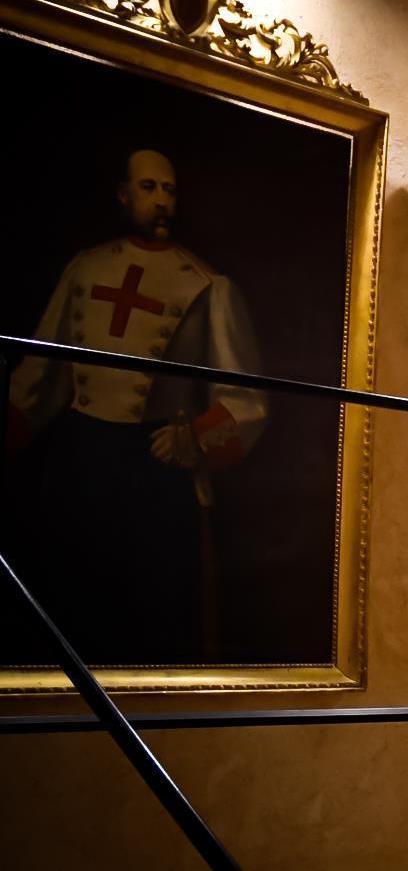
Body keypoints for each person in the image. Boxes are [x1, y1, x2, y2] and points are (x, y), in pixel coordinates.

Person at [6, 149, 267, 661]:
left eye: (169, 190)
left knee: (148, 621)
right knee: (68, 609)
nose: (161, 200)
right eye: (149, 188)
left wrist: (194, 438)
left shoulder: (208, 286)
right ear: (124, 194)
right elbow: (39, 378)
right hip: (79, 464)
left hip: (154, 468)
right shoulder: (84, 268)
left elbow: (246, 398)